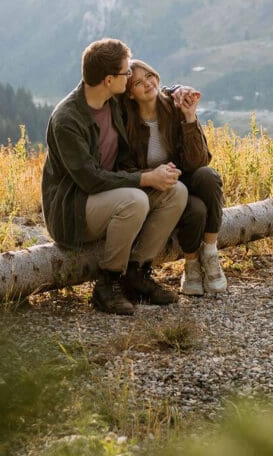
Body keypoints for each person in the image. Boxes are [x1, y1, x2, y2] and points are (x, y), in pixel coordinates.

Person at [41, 38, 188, 316]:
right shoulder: (67, 120)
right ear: (109, 80)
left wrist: (179, 90)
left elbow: (150, 89)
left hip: (112, 196)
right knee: (135, 200)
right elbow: (90, 180)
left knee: (176, 191)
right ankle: (107, 284)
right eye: (125, 73)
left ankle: (136, 274)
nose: (130, 76)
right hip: (74, 210)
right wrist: (145, 178)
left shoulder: (114, 98)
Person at [123, 59, 227, 297]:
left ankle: (210, 253)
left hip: (182, 178)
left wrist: (190, 118)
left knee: (208, 177)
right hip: (155, 190)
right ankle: (191, 266)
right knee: (197, 209)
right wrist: (151, 176)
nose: (148, 84)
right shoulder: (127, 122)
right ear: (130, 94)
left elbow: (198, 161)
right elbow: (124, 167)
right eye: (138, 83)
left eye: (149, 76)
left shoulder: (174, 106)